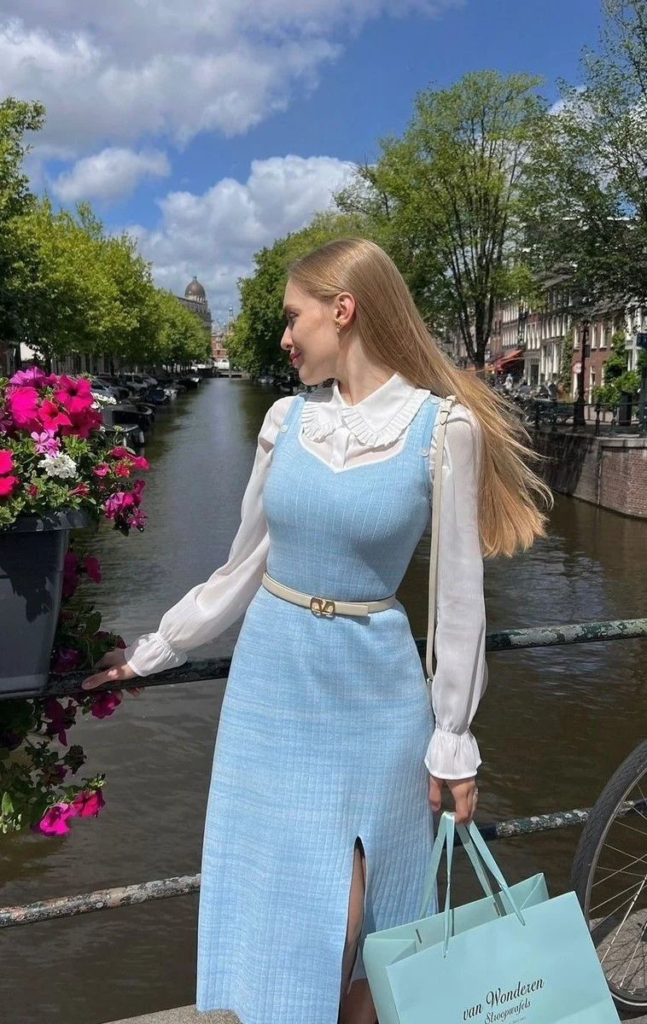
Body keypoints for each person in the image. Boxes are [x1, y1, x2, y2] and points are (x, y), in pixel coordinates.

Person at [82, 239, 551, 1024]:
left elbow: (459, 603)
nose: (282, 337)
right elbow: (242, 565)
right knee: (290, 923)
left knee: (363, 929)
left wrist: (453, 736)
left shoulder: (443, 431)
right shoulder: (284, 420)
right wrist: (154, 650)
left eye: (292, 316)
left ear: (344, 309)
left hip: (375, 696)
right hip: (272, 686)